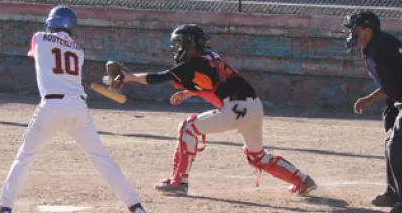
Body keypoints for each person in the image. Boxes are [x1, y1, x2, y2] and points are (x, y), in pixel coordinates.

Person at [0, 6, 149, 213]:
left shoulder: (40, 38)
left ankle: (5, 208)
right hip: (78, 106)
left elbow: (41, 58)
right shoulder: (78, 50)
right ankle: (135, 205)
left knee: (25, 157)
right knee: (101, 157)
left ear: (51, 22)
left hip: (52, 106)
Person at [121, 24, 317, 197]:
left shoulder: (192, 64)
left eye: (180, 44)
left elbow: (156, 78)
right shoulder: (212, 57)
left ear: (190, 45)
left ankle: (178, 182)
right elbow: (214, 83)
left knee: (188, 127)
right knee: (257, 156)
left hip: (236, 109)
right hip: (255, 106)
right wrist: (189, 93)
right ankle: (302, 180)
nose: (177, 48)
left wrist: (128, 77)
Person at [346, 10, 402, 213]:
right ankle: (393, 193)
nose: (351, 34)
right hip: (398, 100)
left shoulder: (382, 43)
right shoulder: (369, 48)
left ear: (367, 30)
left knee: (397, 145)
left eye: (355, 30)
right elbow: (391, 82)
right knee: (390, 144)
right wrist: (370, 99)